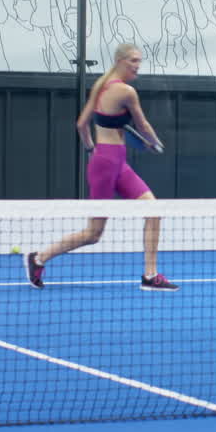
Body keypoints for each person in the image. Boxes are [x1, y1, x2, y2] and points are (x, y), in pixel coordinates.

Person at [24, 43, 177, 292]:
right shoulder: (126, 92)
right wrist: (155, 143)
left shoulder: (100, 87)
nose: (137, 66)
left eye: (139, 61)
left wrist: (90, 150)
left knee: (153, 209)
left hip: (114, 161)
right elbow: (143, 125)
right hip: (106, 164)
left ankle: (150, 276)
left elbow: (81, 124)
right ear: (120, 61)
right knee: (94, 233)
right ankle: (39, 258)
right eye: (133, 61)